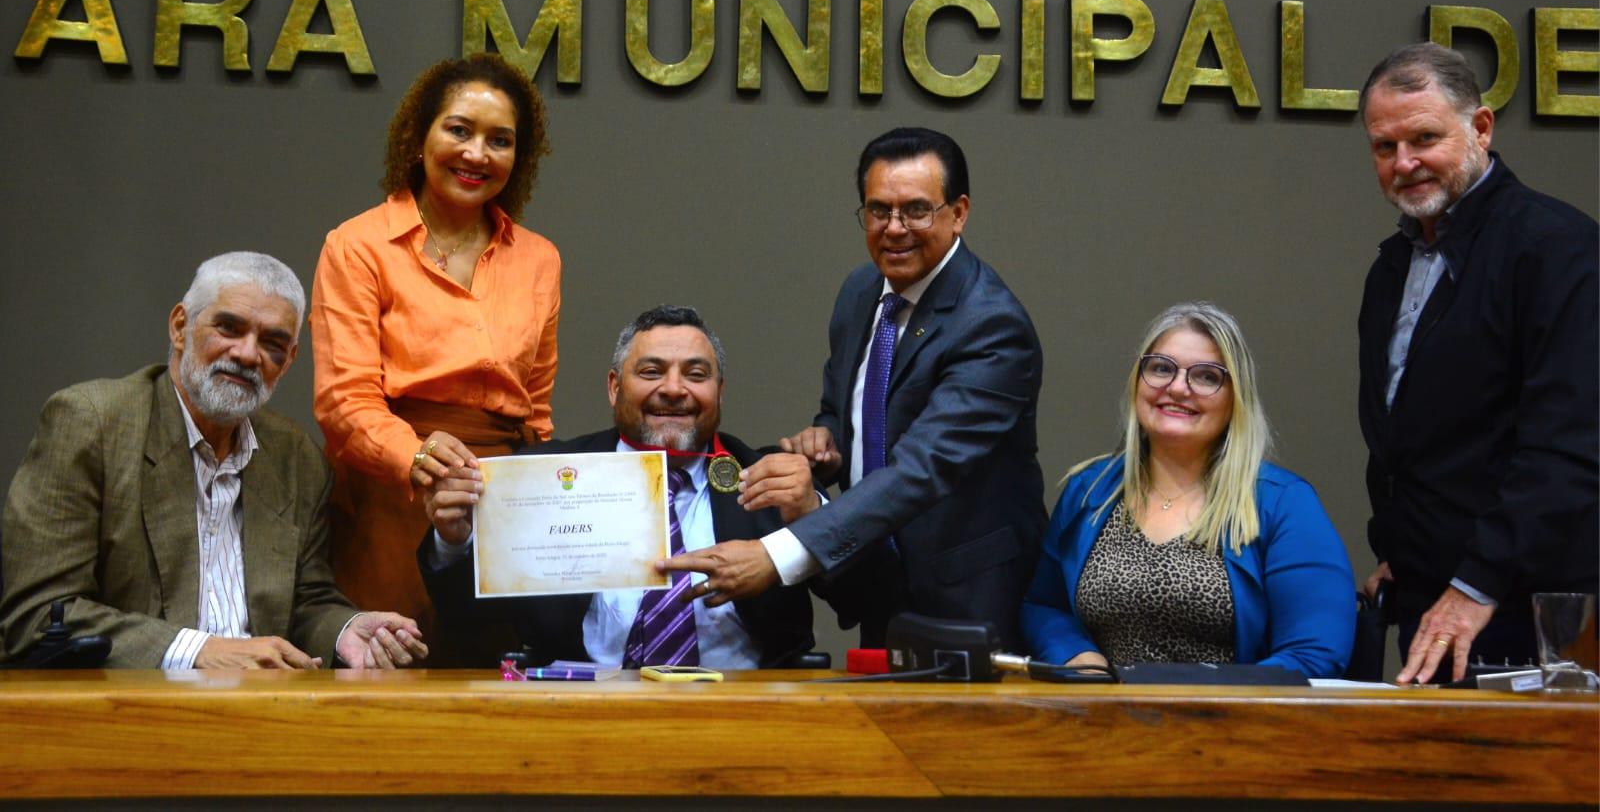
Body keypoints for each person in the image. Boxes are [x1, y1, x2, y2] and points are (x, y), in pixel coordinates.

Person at [663, 127, 1046, 650]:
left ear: (958, 213)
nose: (894, 229)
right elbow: (854, 413)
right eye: (878, 210)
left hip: (969, 598)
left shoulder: (993, 326)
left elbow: (921, 468)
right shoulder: (861, 292)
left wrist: (778, 554)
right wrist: (826, 443)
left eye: (916, 210)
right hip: (878, 579)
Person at [0, 253, 425, 669]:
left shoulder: (295, 458)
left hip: (265, 708)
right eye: (228, 327)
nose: (246, 354)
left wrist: (345, 630)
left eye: (272, 343)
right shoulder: (92, 424)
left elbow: (306, 601)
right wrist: (199, 651)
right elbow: (37, 616)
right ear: (180, 326)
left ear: (289, 360)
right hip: (130, 712)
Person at [1356, 42, 1598, 684]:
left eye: (1425, 138)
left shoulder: (1560, 250)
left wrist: (1474, 584)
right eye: (1385, 147)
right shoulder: (1391, 267)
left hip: (1528, 613)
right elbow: (1408, 444)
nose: (1405, 163)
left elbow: (1567, 449)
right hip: (1432, 605)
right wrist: (1398, 551)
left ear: (1481, 128)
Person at [311, 53, 560, 648]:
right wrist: (420, 459)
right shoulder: (357, 245)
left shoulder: (540, 257)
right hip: (392, 501)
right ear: (417, 137)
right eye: (459, 130)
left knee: (502, 684)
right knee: (392, 683)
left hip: (503, 506)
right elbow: (345, 404)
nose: (477, 153)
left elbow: (538, 415)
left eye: (500, 140)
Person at [419, 306, 824, 668]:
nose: (673, 388)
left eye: (696, 374)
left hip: (749, 713)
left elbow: (860, 595)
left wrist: (814, 512)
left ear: (720, 392)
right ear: (615, 387)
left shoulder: (772, 479)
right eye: (651, 371)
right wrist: (454, 542)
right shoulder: (543, 476)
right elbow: (466, 618)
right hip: (582, 711)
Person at [1021, 302, 1355, 678]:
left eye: (1207, 376)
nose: (1178, 388)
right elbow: (1044, 605)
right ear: (1137, 381)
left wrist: (1193, 693)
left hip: (1232, 725)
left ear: (1235, 398)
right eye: (1161, 368)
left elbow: (1314, 652)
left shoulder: (1283, 503)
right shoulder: (1090, 490)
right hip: (1103, 723)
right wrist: (1079, 656)